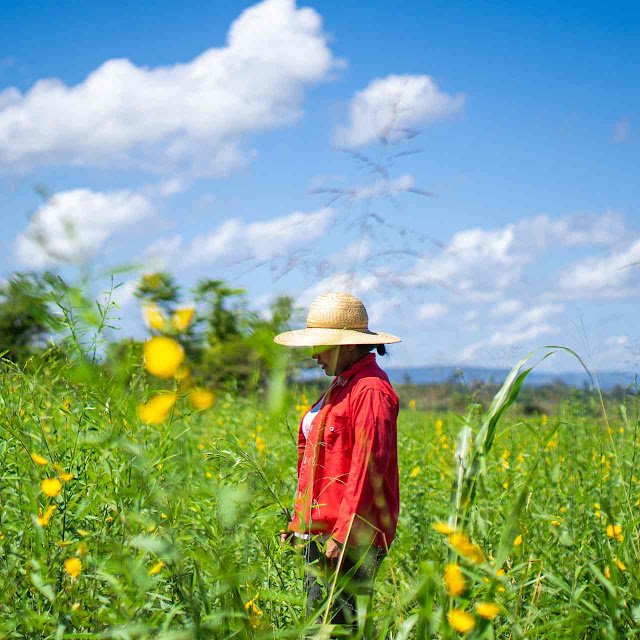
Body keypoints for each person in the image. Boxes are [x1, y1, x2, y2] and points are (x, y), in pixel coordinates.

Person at [274, 291, 400, 631]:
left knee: (333, 630)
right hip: (326, 534)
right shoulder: (343, 385)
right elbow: (322, 464)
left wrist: (344, 536)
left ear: (346, 345)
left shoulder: (370, 390)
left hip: (349, 541)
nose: (314, 354)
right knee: (327, 626)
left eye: (321, 345)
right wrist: (300, 522)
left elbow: (367, 468)